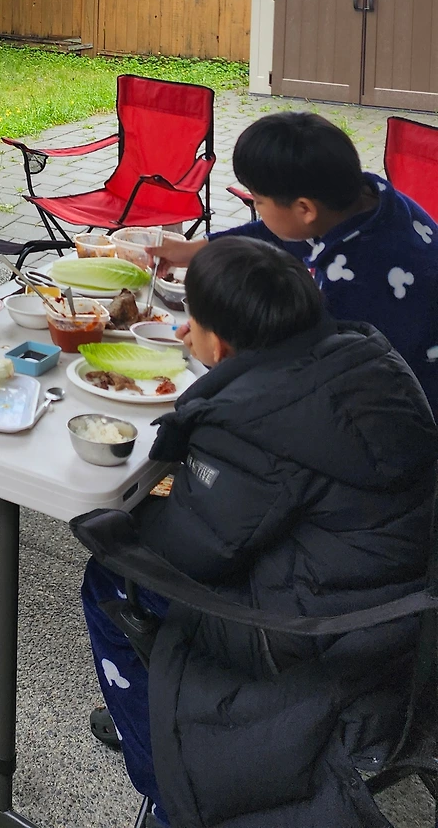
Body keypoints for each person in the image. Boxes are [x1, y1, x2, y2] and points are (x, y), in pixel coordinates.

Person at [82, 236, 437, 827]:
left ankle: (164, 780)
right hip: (402, 601)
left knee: (110, 580)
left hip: (325, 631)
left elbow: (190, 554)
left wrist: (120, 517)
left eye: (192, 324)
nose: (183, 333)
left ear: (220, 343)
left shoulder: (252, 423)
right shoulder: (365, 355)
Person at [151, 111, 438, 409]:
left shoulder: (357, 283)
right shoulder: (365, 199)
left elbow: (305, 375)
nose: (257, 208)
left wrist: (219, 356)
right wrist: (195, 249)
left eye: (258, 201)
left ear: (305, 209)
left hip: (405, 406)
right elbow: (281, 232)